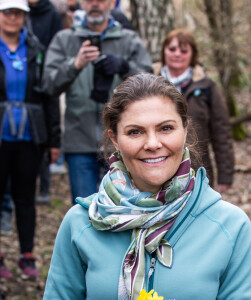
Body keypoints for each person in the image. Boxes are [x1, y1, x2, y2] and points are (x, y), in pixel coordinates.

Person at [43, 73, 251, 300]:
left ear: (185, 130)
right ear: (115, 139)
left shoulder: (230, 226)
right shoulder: (81, 223)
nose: (152, 144)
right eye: (135, 132)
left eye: (166, 128)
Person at [42, 0, 152, 204]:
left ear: (112, 3)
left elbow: (151, 83)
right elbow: (48, 85)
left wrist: (124, 67)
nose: (95, 4)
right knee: (85, 209)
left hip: (121, 143)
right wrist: (75, 65)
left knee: (123, 207)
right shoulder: (64, 39)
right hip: (79, 140)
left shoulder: (128, 39)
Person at [0, 0, 60, 279]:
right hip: (2, 136)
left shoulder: (36, 50)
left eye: (17, 13)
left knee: (26, 197)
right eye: (7, 12)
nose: (12, 18)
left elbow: (49, 95)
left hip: (29, 136)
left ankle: (27, 255)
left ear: (25, 16)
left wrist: (53, 139)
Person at [153, 29, 234, 193]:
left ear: (192, 54)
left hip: (198, 169)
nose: (177, 54)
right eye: (172, 49)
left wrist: (225, 175)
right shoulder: (146, 84)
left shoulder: (207, 87)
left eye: (184, 50)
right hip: (154, 167)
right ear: (163, 51)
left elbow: (221, 132)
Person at [27, 0, 62, 204]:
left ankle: (45, 186)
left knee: (44, 134)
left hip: (46, 78)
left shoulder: (52, 14)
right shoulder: (18, 12)